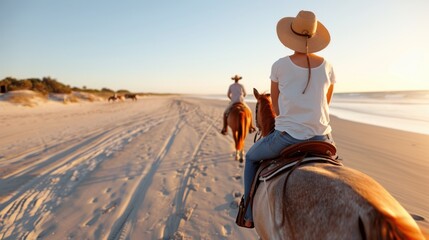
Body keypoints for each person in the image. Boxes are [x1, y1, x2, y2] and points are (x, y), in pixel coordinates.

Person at [241, 10, 336, 228]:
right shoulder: (328, 66)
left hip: (288, 137)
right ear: (314, 37)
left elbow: (275, 107)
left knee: (251, 158)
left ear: (290, 35)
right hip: (324, 138)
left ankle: (247, 214)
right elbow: (326, 104)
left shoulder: (279, 65)